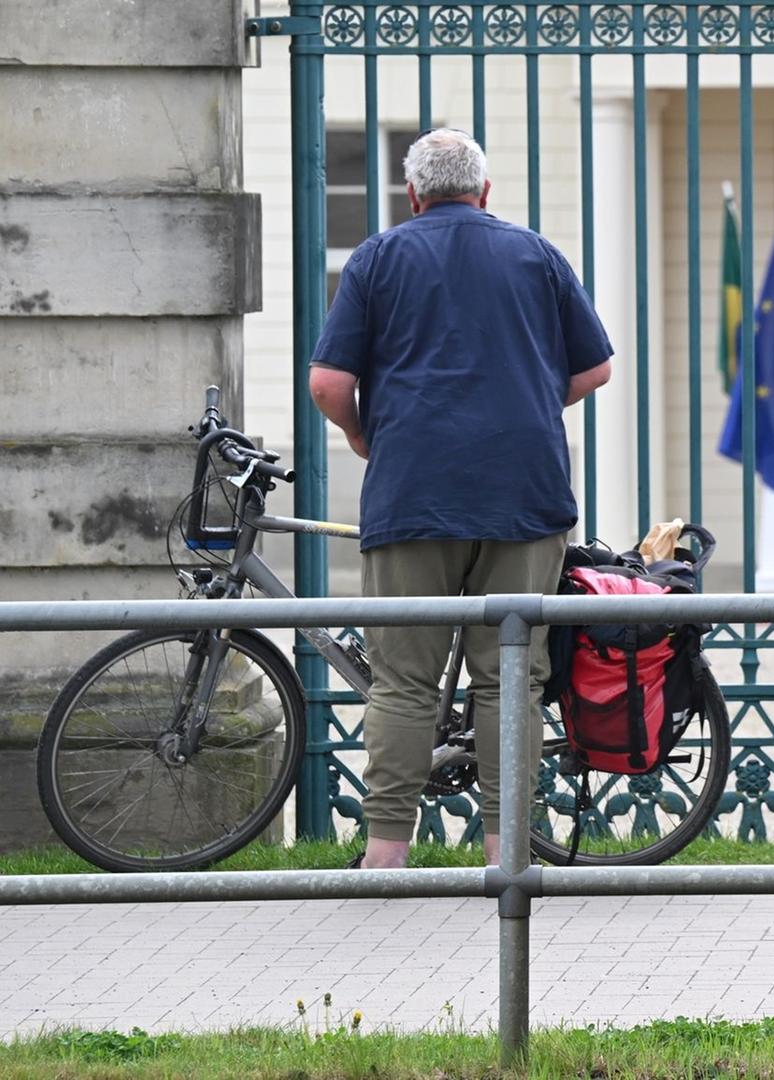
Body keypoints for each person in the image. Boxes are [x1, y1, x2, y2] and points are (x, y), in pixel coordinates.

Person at [307, 129, 614, 869]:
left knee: (403, 681)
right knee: (511, 678)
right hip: (524, 491)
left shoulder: (378, 257)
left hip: (412, 492)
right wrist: (532, 405)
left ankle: (386, 854)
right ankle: (506, 851)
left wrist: (365, 435)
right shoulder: (536, 254)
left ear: (411, 195)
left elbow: (328, 384)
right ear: (484, 191)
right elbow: (595, 368)